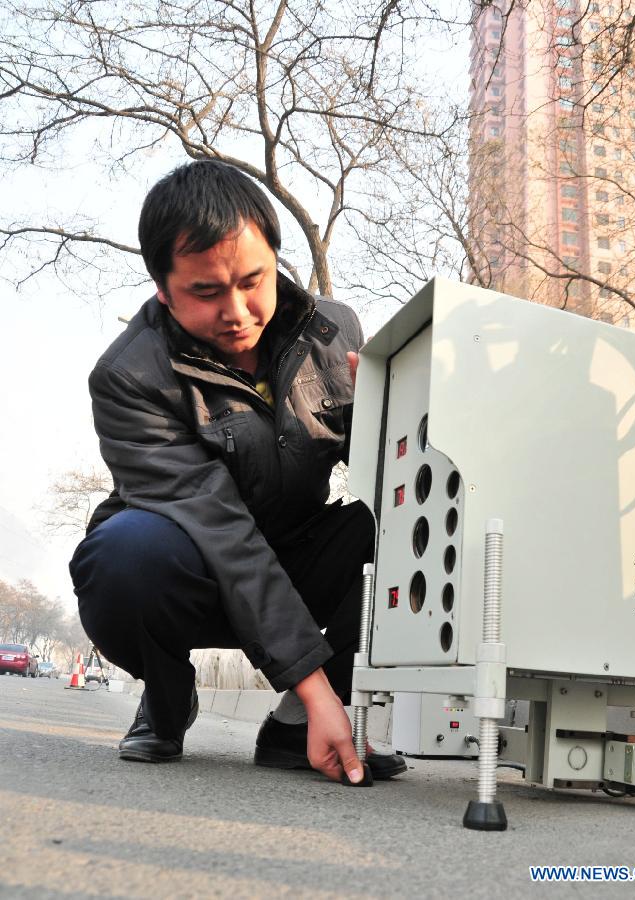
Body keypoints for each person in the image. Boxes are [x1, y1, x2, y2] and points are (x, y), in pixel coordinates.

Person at [69, 160, 406, 785]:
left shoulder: (334, 333)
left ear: (275, 257)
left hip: (297, 554)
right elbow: (222, 531)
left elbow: (388, 474)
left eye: (253, 280)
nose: (237, 311)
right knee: (124, 558)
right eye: (205, 292)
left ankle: (292, 728)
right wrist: (317, 688)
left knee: (402, 534)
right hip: (188, 566)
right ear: (163, 289)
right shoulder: (128, 378)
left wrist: (392, 412)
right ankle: (168, 702)